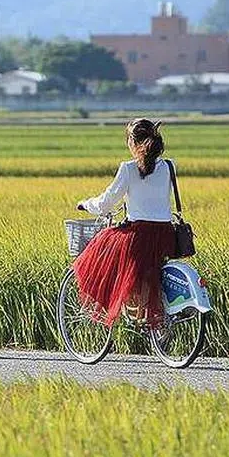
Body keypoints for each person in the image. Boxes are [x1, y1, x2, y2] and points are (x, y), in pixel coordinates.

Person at [73, 118, 177, 328]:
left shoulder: (128, 169)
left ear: (133, 142)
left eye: (128, 139)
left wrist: (86, 204)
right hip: (165, 234)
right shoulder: (169, 166)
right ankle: (144, 311)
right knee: (147, 271)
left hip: (139, 236)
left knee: (101, 246)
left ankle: (116, 303)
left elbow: (106, 202)